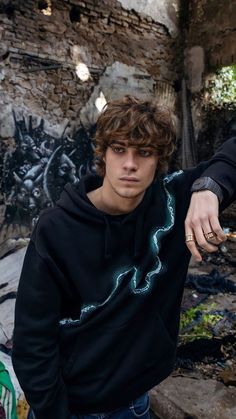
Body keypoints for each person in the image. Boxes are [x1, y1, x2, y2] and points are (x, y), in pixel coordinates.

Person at [12, 96, 236, 419]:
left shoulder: (172, 202)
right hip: (66, 407)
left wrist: (209, 187)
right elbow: (33, 340)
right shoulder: (56, 228)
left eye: (143, 152)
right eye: (119, 149)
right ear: (103, 154)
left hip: (132, 404)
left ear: (158, 159)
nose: (130, 164)